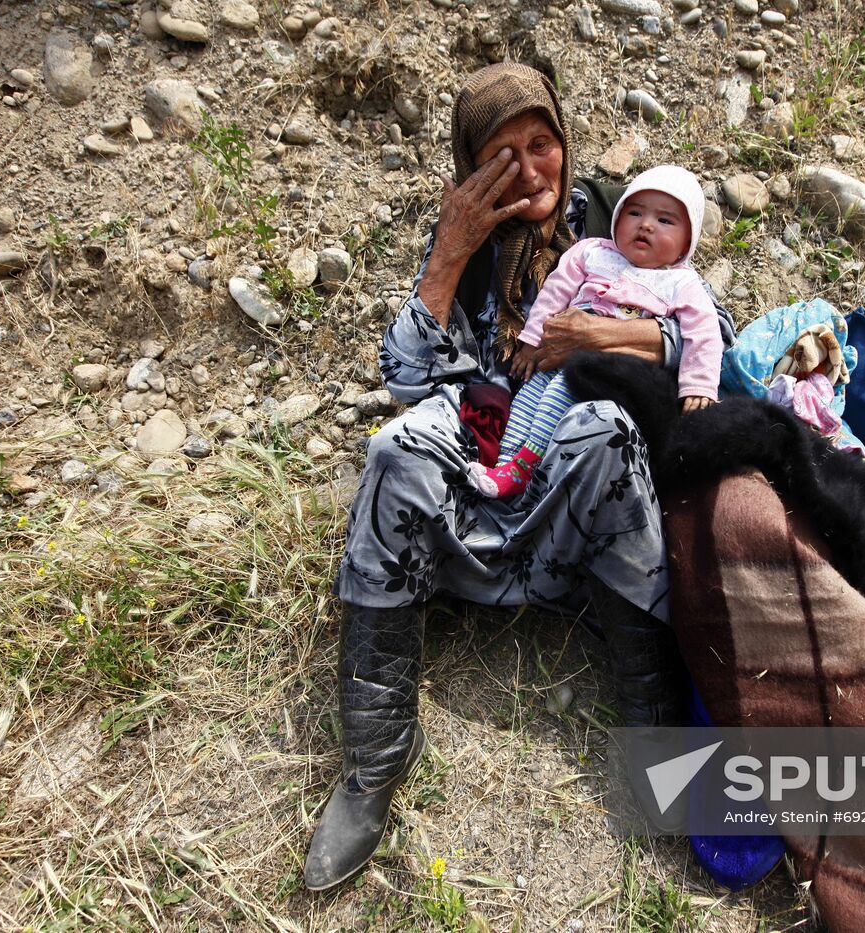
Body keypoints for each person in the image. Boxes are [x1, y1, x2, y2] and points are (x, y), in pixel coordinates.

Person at [304, 63, 734, 893]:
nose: (532, 171)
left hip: (584, 491)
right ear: (471, 170)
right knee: (398, 445)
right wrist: (449, 250)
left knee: (606, 427)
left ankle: (651, 737)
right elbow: (406, 374)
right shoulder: (462, 242)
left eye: (543, 145)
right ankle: (375, 757)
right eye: (503, 155)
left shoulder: (620, 215)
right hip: (488, 458)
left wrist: (605, 338)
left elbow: (712, 330)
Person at [470, 165, 723, 498]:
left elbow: (704, 332)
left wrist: (699, 386)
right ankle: (504, 468)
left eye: (665, 221)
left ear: (684, 244)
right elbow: (555, 292)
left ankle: (526, 468)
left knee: (562, 389)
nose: (646, 224)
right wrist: (532, 340)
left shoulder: (682, 282)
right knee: (530, 392)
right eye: (634, 212)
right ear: (617, 218)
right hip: (558, 351)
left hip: (610, 367)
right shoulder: (592, 252)